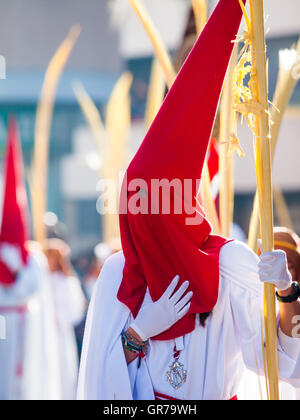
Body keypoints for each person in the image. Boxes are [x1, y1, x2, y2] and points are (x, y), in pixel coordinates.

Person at [77, 0, 300, 400]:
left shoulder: (229, 265)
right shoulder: (117, 275)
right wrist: (138, 333)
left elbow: (281, 364)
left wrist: (286, 294)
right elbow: (97, 385)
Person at [0, 119, 60, 400]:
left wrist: (14, 269)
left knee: (22, 378)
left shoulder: (31, 257)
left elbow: (29, 287)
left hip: (23, 322)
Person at [44, 238, 86, 400]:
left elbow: (76, 310)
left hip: (61, 332)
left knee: (63, 374)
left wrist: (59, 318)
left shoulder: (68, 281)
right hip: (45, 333)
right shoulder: (43, 279)